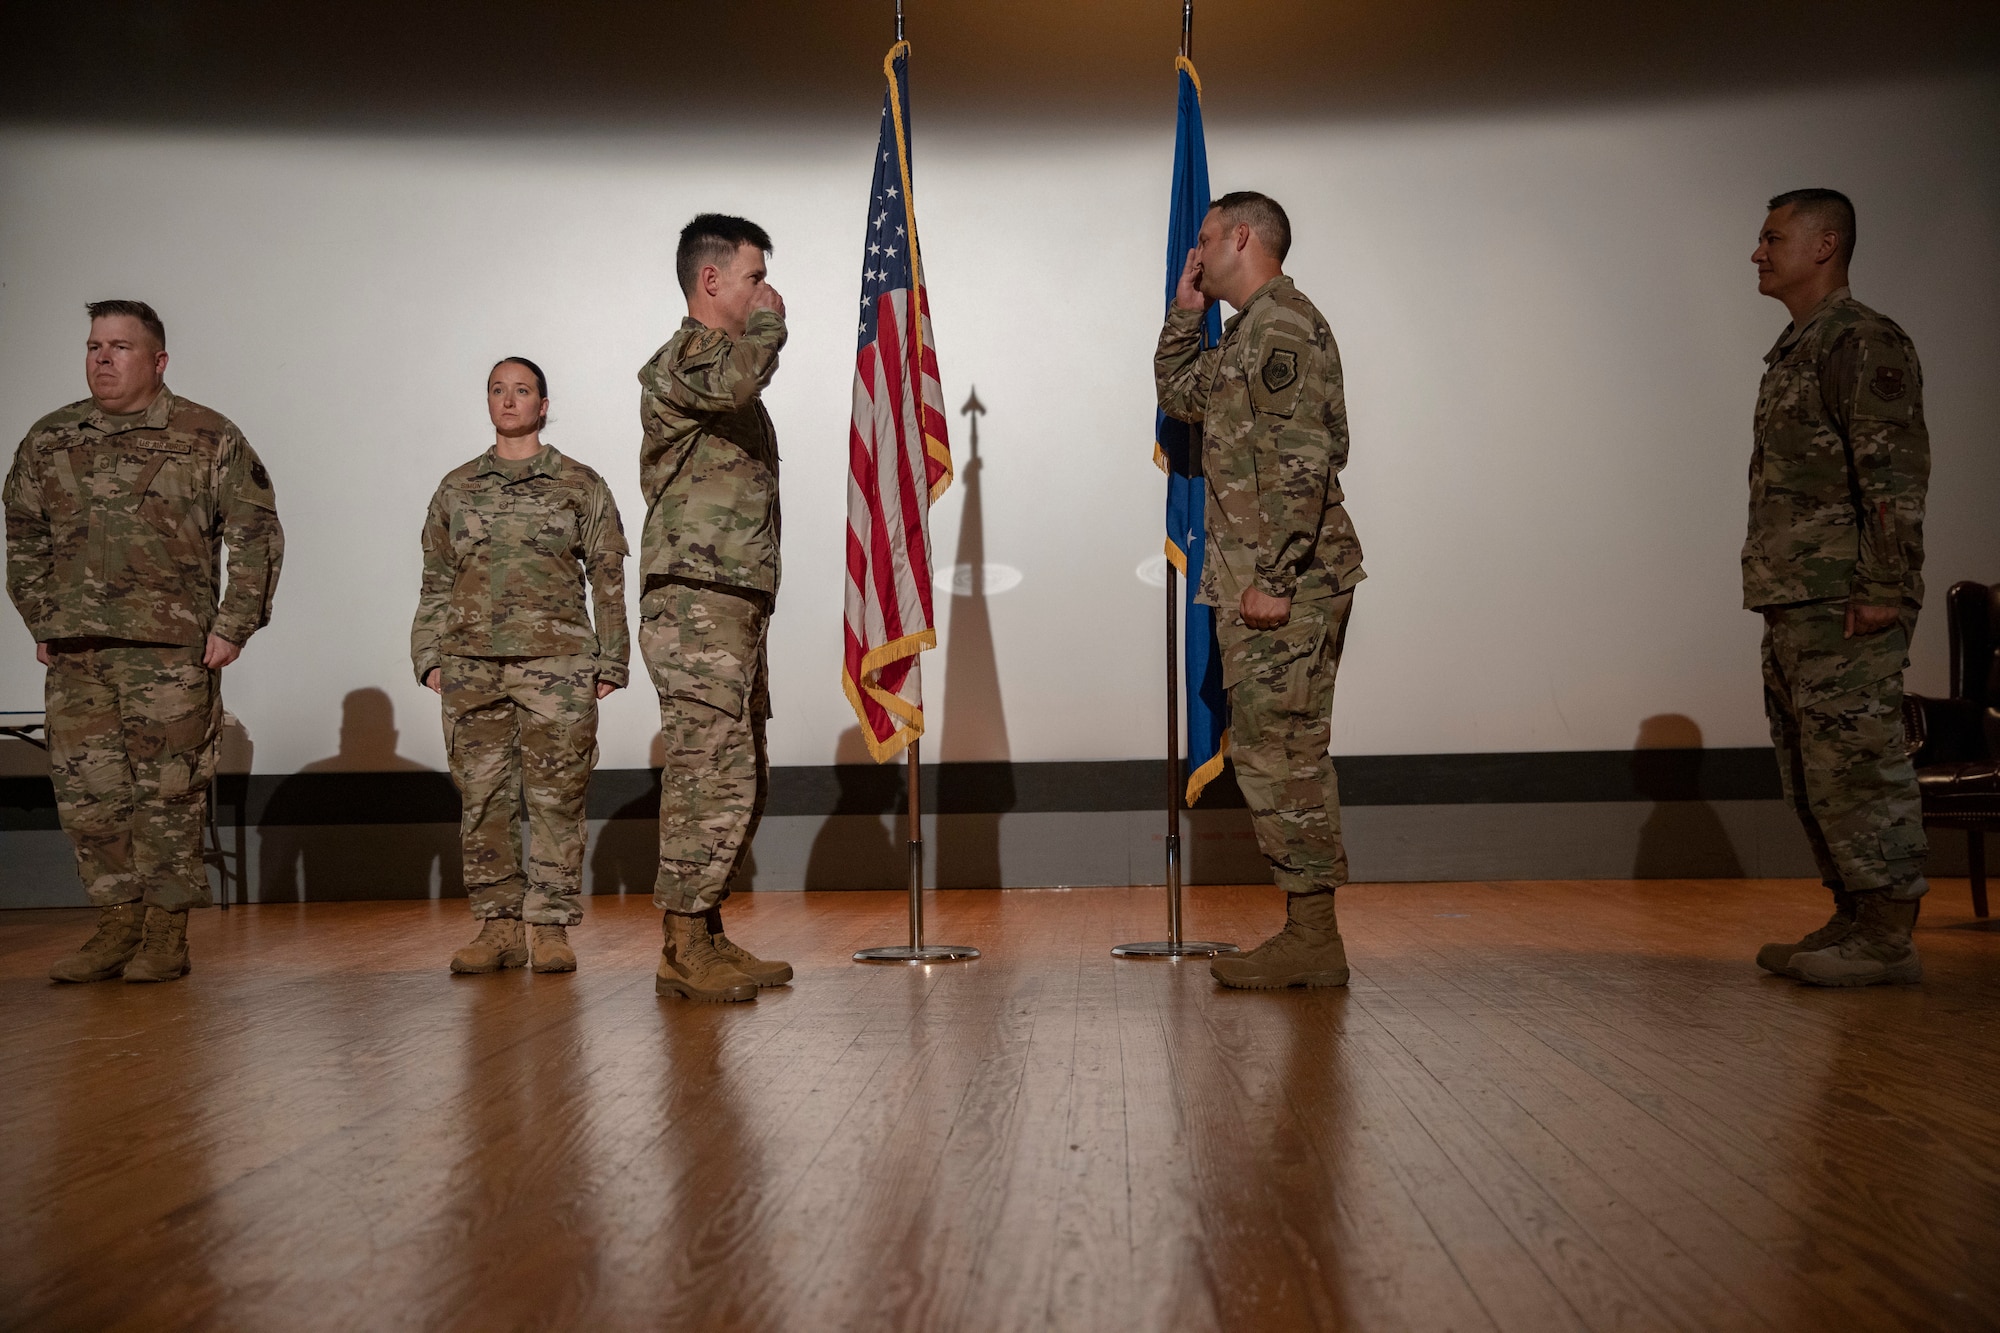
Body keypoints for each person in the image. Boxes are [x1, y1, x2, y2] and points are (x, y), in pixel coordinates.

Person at [4, 300, 283, 983]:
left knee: (166, 796)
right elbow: (23, 537)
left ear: (157, 361)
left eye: (120, 346)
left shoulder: (207, 434)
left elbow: (255, 535)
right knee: (89, 796)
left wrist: (231, 625)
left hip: (169, 652)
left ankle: (165, 933)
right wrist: (46, 621)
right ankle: (115, 926)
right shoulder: (51, 438)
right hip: (79, 654)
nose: (103, 357)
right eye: (95, 345)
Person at [1155, 192, 1364, 990]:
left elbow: (1302, 459)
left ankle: (1313, 936)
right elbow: (1181, 398)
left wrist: (1275, 578)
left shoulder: (1282, 326)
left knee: (1288, 758)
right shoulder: (1246, 332)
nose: (1196, 254)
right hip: (1261, 582)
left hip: (1290, 585)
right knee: (1273, 756)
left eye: (1204, 241)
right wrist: (1185, 312)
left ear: (1242, 236)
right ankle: (1308, 932)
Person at [1745, 188, 1932, 987]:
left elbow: (1890, 474)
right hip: (1799, 597)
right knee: (1812, 764)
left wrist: (1883, 585)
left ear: (1825, 245)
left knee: (1858, 760)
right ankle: (1853, 913)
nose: (1757, 252)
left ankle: (1888, 935)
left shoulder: (1864, 342)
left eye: (1772, 237)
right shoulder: (1800, 347)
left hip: (1847, 597)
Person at [412, 357, 628, 974]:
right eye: (498, 391)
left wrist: (611, 659)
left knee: (558, 799)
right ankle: (497, 926)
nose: (509, 401)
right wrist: (428, 656)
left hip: (558, 667)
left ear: (543, 402)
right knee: (483, 799)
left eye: (522, 390)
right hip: (471, 667)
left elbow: (608, 579)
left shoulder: (579, 484)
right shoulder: (457, 488)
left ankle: (551, 926)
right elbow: (435, 580)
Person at [637, 213, 794, 1003]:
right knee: (707, 770)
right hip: (695, 601)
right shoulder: (689, 359)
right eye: (754, 275)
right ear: (711, 281)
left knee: (740, 772)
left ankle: (706, 932)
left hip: (730, 598)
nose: (766, 289)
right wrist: (769, 325)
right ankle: (681, 944)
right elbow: (743, 375)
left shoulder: (719, 367)